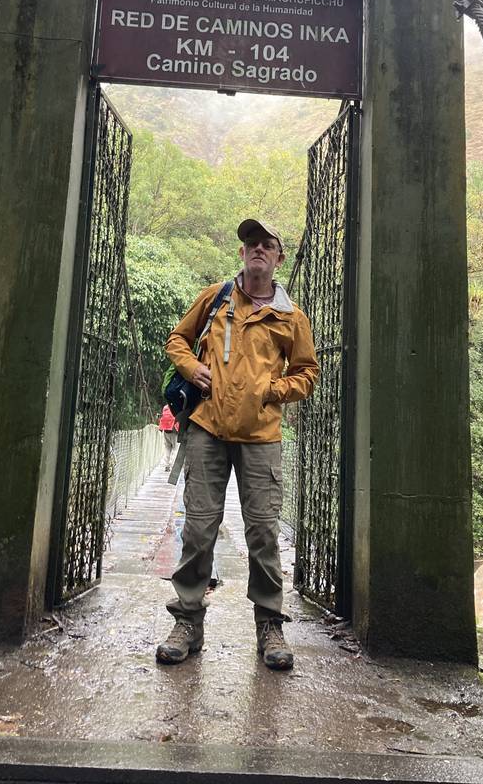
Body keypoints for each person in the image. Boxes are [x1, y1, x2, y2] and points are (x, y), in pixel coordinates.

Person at [156, 218, 319, 670]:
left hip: (261, 437)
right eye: (251, 243)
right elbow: (177, 340)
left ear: (279, 258)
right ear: (243, 252)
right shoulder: (215, 297)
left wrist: (269, 391)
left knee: (264, 531)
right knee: (198, 528)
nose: (258, 249)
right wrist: (191, 369)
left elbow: (307, 373)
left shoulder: (291, 317)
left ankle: (270, 624)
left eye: (267, 244)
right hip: (207, 429)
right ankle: (188, 620)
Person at [158, 403, 179, 471]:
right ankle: (171, 464)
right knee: (175, 448)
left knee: (167, 448)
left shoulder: (165, 407)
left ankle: (166, 465)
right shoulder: (178, 406)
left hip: (166, 431)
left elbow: (162, 418)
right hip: (174, 431)